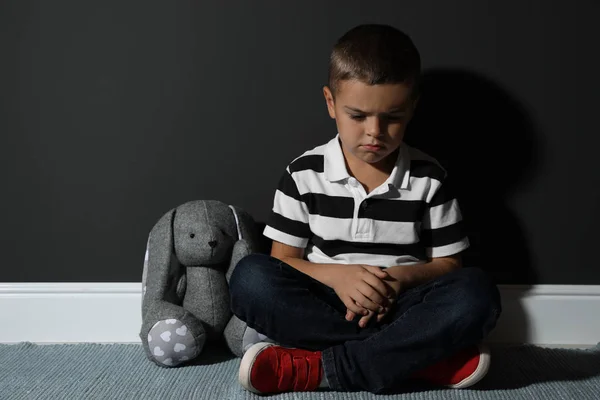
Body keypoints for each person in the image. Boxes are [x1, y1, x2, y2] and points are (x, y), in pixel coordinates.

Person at [229, 23, 502, 395]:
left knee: (477, 293)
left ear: (412, 107)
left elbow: (449, 265)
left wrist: (396, 281)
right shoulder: (303, 175)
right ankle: (415, 361)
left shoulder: (431, 178)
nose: (375, 132)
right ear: (331, 103)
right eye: (357, 116)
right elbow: (284, 260)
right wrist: (340, 279)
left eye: (392, 118)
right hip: (328, 301)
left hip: (402, 304)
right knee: (250, 279)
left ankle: (322, 369)